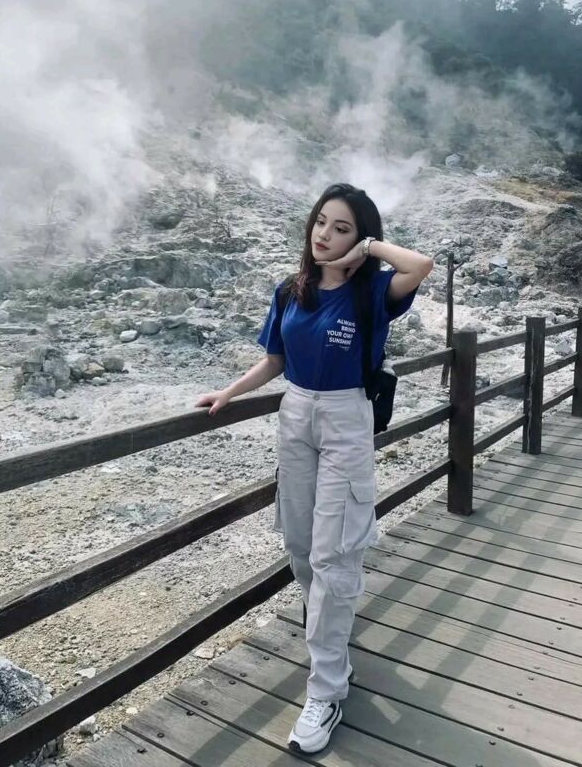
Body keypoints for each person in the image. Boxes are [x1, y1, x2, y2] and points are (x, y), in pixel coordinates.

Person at [195, 183, 434, 753]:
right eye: (321, 221)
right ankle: (333, 633)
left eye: (342, 228)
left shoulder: (373, 290)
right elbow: (275, 359)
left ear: (361, 237)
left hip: (347, 417)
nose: (324, 234)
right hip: (296, 414)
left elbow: (420, 265)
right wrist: (229, 392)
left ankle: (326, 690)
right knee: (301, 546)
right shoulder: (291, 289)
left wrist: (367, 251)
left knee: (335, 553)